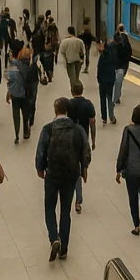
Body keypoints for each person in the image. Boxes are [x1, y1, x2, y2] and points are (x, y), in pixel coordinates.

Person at [35, 97, 91, 261]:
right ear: (67, 111)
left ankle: (54, 238)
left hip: (52, 174)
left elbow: (41, 150)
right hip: (71, 173)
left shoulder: (48, 129)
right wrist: (84, 167)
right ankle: (64, 248)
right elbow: (85, 150)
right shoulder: (77, 129)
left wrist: (40, 167)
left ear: (55, 111)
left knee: (50, 208)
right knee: (65, 211)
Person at [116, 105, 140, 235]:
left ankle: (137, 226)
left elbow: (123, 150)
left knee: (133, 198)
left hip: (131, 170)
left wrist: (118, 169)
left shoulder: (128, 130)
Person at [68, 83, 97, 214]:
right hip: (83, 139)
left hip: (71, 139)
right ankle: (84, 169)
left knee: (73, 169)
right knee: (80, 166)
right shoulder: (88, 104)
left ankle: (73, 196)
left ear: (72, 91)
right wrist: (94, 140)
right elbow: (92, 123)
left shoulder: (69, 104)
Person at [6, 48, 39, 144]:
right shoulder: (31, 68)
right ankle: (26, 131)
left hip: (15, 94)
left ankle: (16, 135)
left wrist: (9, 91)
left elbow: (9, 80)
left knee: (16, 115)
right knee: (25, 114)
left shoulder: (13, 65)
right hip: (26, 95)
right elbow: (34, 84)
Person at [95, 39, 118, 124]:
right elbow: (115, 67)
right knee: (109, 98)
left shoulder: (102, 57)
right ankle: (111, 116)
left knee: (102, 99)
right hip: (110, 80)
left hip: (102, 81)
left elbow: (99, 68)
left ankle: (104, 117)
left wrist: (99, 79)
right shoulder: (113, 56)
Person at [112, 25, 132, 105]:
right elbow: (129, 54)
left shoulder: (112, 46)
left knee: (114, 82)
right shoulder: (125, 42)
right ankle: (116, 98)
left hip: (115, 66)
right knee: (118, 83)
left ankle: (113, 98)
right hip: (121, 66)